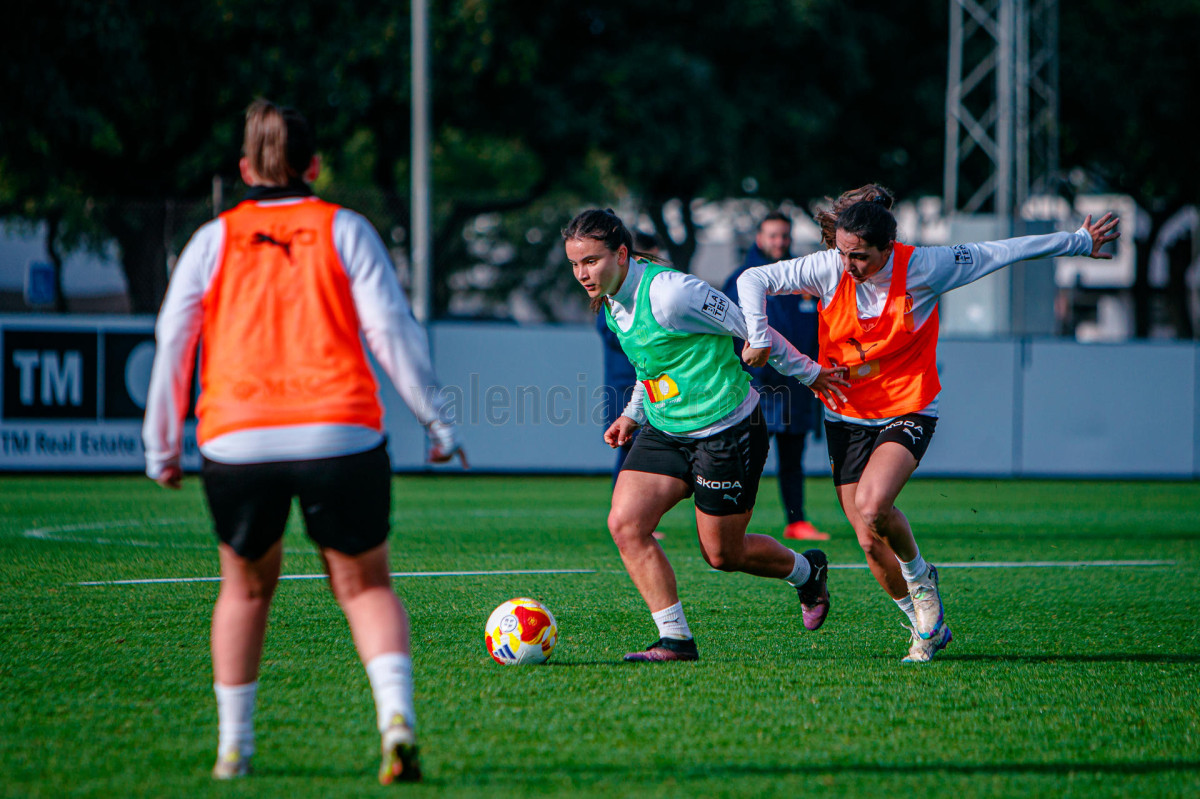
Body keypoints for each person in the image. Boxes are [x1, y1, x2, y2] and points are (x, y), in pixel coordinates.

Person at [142, 99, 465, 783]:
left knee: (245, 591)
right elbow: (391, 329)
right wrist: (438, 421)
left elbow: (173, 339)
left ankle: (234, 748)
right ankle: (396, 722)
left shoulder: (211, 240)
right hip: (339, 432)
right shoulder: (345, 228)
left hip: (237, 438)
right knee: (365, 586)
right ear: (314, 166)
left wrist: (161, 446)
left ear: (243, 170)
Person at [737, 185, 1120, 663]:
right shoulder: (829, 266)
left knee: (873, 505)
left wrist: (1076, 241)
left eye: (860, 257)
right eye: (844, 253)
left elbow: (998, 251)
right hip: (845, 413)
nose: (848, 265)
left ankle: (921, 579)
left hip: (909, 406)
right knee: (868, 540)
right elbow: (753, 278)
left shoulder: (925, 266)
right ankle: (926, 623)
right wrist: (762, 338)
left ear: (887, 249)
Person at [564, 208, 850, 662]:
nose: (582, 274)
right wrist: (633, 415)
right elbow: (650, 364)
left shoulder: (672, 293)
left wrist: (810, 374)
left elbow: (753, 329)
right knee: (625, 524)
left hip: (727, 430)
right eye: (575, 264)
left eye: (591, 261)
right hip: (666, 430)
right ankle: (675, 639)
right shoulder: (612, 299)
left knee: (722, 555)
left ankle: (806, 571)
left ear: (621, 254)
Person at [722, 211, 827, 541]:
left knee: (793, 460)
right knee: (747, 458)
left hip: (797, 386)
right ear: (759, 238)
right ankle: (729, 520)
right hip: (757, 387)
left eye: (784, 235)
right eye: (772, 235)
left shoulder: (800, 279)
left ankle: (796, 521)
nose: (779, 242)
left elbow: (819, 330)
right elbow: (727, 333)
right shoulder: (740, 279)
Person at [596, 230, 663, 481]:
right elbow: (610, 333)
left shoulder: (655, 291)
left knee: (651, 455)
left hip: (655, 384)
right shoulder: (615, 294)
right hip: (626, 384)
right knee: (630, 451)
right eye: (648, 259)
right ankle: (623, 503)